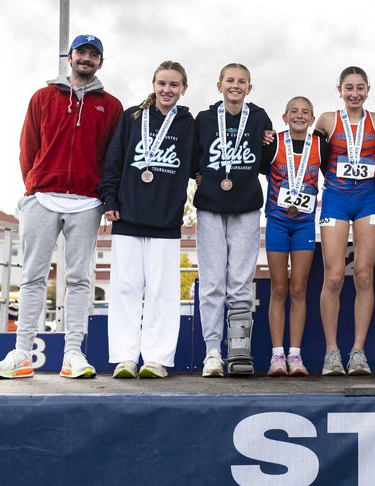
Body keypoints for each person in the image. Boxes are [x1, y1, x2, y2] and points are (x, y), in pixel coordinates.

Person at [0, 34, 123, 379]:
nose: (87, 59)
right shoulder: (43, 96)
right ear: (70, 57)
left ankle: (73, 353)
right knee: (32, 277)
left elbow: (112, 157)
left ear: (100, 63)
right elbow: (28, 146)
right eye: (82, 53)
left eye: (94, 55)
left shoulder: (111, 105)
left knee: (79, 279)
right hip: (42, 197)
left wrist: (103, 195)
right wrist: (32, 187)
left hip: (86, 201)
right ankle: (20, 355)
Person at [99, 60, 196, 379]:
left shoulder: (187, 123)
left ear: (184, 88)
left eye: (174, 85)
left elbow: (199, 163)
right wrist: (109, 199)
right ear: (153, 84)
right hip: (127, 214)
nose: (167, 90)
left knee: (162, 291)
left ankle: (156, 358)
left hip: (166, 219)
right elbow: (113, 161)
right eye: (162, 83)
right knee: (125, 288)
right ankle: (125, 358)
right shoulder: (132, 117)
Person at [193, 63, 273, 377]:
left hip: (247, 207)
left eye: (242, 82)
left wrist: (271, 144)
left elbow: (266, 164)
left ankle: (238, 350)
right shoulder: (204, 118)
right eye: (230, 80)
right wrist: (198, 177)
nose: (235, 86)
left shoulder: (259, 117)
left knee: (241, 282)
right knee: (212, 282)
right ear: (219, 85)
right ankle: (212, 351)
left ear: (249, 88)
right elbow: (192, 159)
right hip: (211, 207)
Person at [313, 66, 375, 376]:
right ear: (339, 90)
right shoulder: (327, 120)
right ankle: (332, 351)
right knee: (333, 277)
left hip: (368, 200)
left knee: (365, 276)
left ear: (368, 90)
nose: (354, 93)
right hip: (336, 201)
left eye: (360, 88)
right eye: (348, 88)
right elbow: (309, 155)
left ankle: (358, 351)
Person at [263, 96, 327, 377]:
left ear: (312, 119)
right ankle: (277, 355)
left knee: (299, 289)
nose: (299, 116)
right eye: (294, 111)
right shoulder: (273, 142)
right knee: (279, 288)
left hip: (304, 224)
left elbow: (336, 174)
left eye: (305, 112)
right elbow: (252, 169)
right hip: (277, 221)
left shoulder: (320, 145)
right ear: (284, 116)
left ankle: (295, 354)